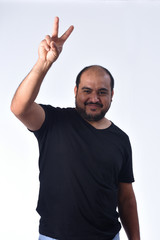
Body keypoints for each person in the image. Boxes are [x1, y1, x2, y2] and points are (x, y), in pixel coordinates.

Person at [10, 17, 140, 240]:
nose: (94, 98)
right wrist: (43, 64)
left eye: (102, 92)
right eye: (87, 91)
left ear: (112, 95)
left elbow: (126, 198)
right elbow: (19, 108)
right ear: (75, 91)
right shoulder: (54, 121)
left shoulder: (121, 139)